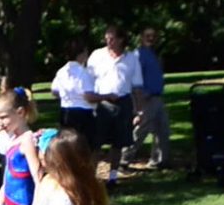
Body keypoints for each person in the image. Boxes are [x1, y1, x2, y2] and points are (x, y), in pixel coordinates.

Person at [86, 26, 144, 189]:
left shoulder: (131, 58)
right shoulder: (97, 56)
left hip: (123, 103)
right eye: (106, 39)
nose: (108, 42)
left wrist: (139, 111)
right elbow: (88, 80)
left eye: (112, 39)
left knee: (118, 143)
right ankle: (91, 178)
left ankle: (112, 178)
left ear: (121, 40)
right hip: (101, 103)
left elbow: (137, 87)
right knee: (96, 143)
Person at [122, 27, 171, 169]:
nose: (151, 38)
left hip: (158, 97)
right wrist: (140, 100)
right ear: (141, 37)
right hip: (146, 98)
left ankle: (159, 161)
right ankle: (124, 158)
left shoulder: (153, 54)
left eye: (153, 35)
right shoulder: (138, 55)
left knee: (162, 130)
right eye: (147, 35)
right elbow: (134, 78)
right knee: (141, 130)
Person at [50, 39, 96, 150]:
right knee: (83, 145)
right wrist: (105, 97)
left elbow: (54, 91)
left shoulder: (61, 72)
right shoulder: (83, 73)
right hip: (83, 112)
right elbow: (88, 96)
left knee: (68, 144)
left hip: (66, 110)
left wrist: (67, 95)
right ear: (81, 54)